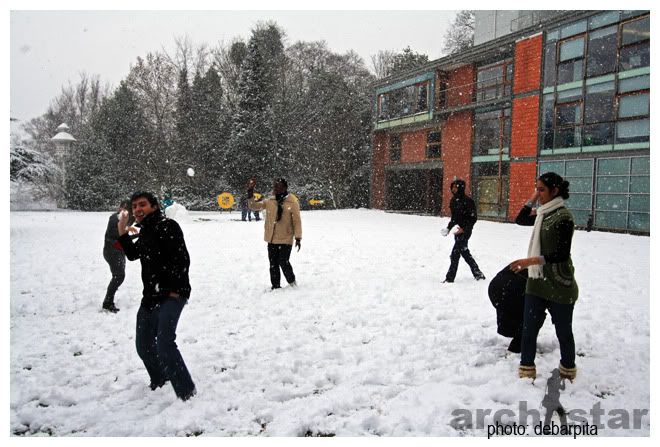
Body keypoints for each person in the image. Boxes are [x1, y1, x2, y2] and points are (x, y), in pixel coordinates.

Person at [117, 191, 196, 401]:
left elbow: (182, 260)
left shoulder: (168, 226)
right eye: (134, 206)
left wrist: (172, 288)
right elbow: (134, 255)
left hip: (173, 293)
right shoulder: (145, 231)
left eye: (142, 205)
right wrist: (122, 232)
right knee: (143, 345)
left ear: (154, 206)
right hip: (150, 296)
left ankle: (187, 392)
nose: (137, 210)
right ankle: (160, 379)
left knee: (164, 343)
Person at [509, 172, 579, 381]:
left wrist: (528, 262)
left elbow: (560, 254)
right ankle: (526, 369)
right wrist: (533, 196)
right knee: (529, 328)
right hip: (537, 282)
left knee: (564, 332)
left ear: (555, 191)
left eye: (542, 190)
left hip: (560, 283)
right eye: (536, 189)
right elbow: (520, 219)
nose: (538, 194)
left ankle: (568, 369)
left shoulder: (563, 217)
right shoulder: (542, 214)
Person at [248, 178, 302, 290]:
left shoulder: (292, 202)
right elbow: (253, 206)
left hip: (286, 238)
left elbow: (297, 221)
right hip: (271, 238)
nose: (276, 189)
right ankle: (275, 286)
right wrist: (250, 191)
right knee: (273, 264)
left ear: (285, 188)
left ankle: (292, 282)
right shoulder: (270, 201)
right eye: (275, 186)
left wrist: (298, 237)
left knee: (283, 261)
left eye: (279, 186)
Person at [441, 179, 485, 282]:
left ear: (460, 188)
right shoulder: (453, 201)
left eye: (455, 187)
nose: (453, 189)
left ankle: (449, 278)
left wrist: (464, 229)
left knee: (456, 254)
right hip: (458, 230)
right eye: (452, 187)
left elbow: (473, 218)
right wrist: (448, 228)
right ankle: (478, 274)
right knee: (463, 253)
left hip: (466, 231)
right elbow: (454, 218)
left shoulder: (468, 201)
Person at [102, 200, 134, 313]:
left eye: (127, 209)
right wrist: (127, 230)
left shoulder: (128, 218)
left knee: (119, 276)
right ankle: (107, 302)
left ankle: (108, 301)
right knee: (119, 276)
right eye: (122, 208)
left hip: (118, 251)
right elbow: (116, 235)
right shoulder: (114, 218)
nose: (123, 210)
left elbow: (123, 237)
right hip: (112, 252)